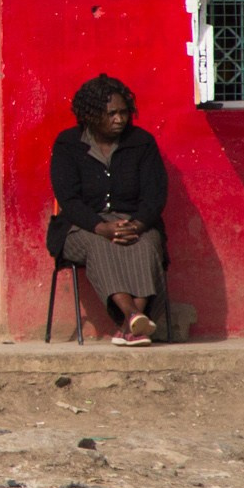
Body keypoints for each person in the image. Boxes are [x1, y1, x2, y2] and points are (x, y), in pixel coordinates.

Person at [47, 73, 167, 347]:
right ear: (91, 114)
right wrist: (101, 227)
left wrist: (137, 225)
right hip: (82, 226)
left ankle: (130, 327)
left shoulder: (142, 143)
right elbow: (69, 199)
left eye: (124, 113)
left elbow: (155, 194)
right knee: (100, 245)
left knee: (148, 244)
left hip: (134, 223)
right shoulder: (68, 144)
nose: (119, 119)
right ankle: (133, 316)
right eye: (111, 113)